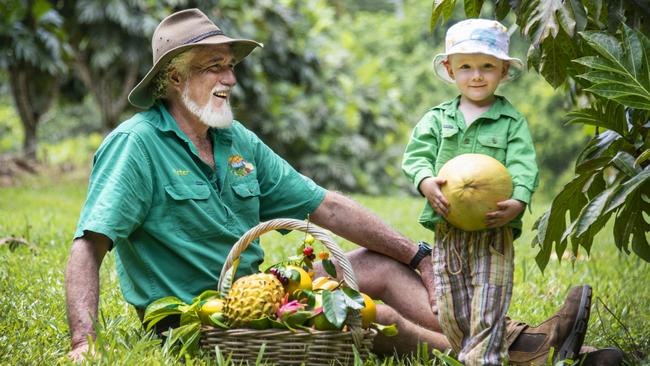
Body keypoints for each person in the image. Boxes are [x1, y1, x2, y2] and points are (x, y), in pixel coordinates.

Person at [65, 9, 594, 364]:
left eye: (230, 66)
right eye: (213, 68)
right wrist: (83, 344)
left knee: (383, 267)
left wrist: (419, 255)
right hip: (205, 321)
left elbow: (324, 205)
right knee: (371, 316)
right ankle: (502, 357)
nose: (230, 79)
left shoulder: (234, 140)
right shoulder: (136, 145)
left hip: (260, 293)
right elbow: (88, 246)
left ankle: (515, 340)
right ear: (175, 79)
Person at [401, 18, 590, 365]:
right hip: (448, 230)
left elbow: (523, 166)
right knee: (451, 312)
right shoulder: (436, 118)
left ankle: (484, 360)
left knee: (488, 304)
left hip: (493, 231)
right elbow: (416, 157)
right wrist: (426, 181)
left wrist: (517, 200)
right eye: (467, 67)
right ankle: (482, 351)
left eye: (487, 66)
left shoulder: (511, 121)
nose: (476, 76)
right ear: (449, 68)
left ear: (503, 71)